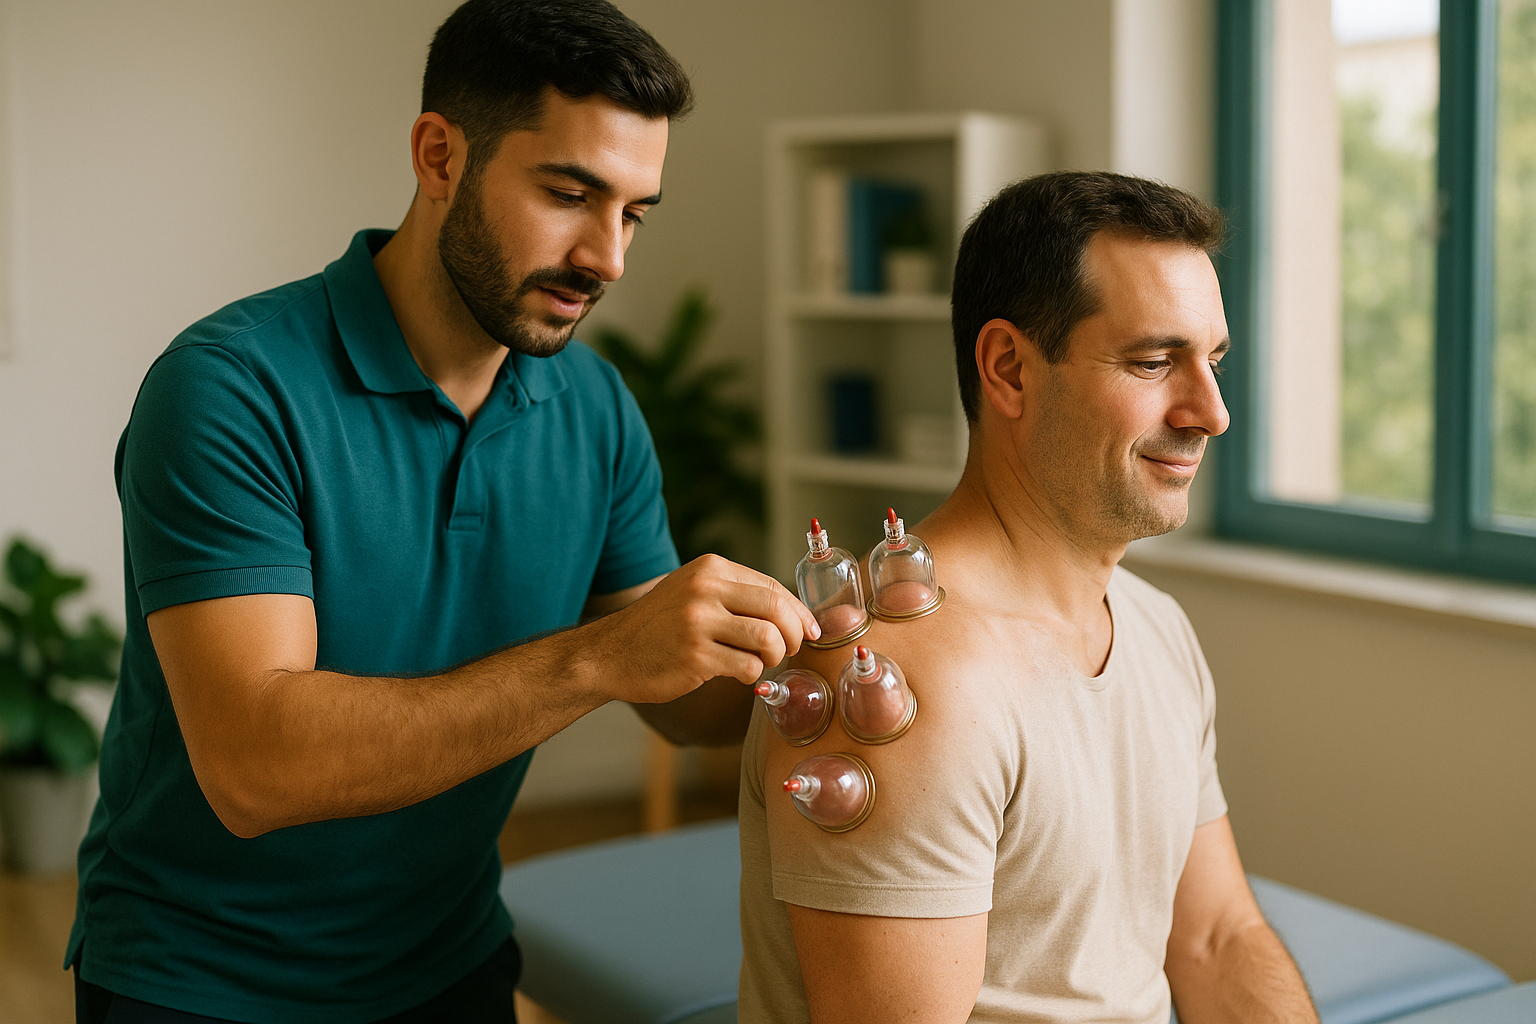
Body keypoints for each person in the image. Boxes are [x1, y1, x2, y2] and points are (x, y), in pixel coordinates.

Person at [69, 2, 814, 1021]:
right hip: (203, 980)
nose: (607, 257)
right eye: (569, 194)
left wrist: (806, 655)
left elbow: (682, 704)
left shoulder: (594, 409)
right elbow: (255, 768)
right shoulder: (229, 389)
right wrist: (597, 657)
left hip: (447, 955)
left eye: (634, 213)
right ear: (438, 156)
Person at [739, 171, 1319, 1024]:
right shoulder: (898, 680)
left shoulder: (1156, 626)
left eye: (1214, 361)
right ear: (1009, 368)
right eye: (1154, 362)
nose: (1211, 412)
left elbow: (1216, 940)